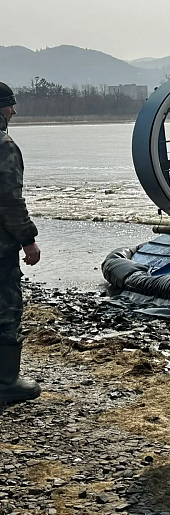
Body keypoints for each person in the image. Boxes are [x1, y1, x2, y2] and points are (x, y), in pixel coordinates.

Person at [0, 82, 42, 404]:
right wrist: (28, 240)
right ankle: (6, 381)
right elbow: (10, 201)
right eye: (11, 104)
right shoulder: (4, 146)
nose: (14, 111)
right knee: (7, 308)